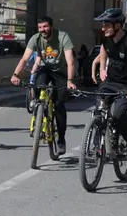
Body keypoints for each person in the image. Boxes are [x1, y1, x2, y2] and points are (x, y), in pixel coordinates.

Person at [10, 16, 77, 155]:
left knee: (59, 104)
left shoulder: (63, 37)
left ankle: (61, 140)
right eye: (40, 27)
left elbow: (70, 61)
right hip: (45, 68)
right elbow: (24, 58)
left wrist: (70, 80)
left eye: (45, 27)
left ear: (51, 26)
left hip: (60, 72)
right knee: (37, 85)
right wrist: (16, 74)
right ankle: (39, 109)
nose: (43, 30)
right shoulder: (36, 38)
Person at [93, 8, 127, 157]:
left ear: (118, 25)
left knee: (118, 116)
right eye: (103, 25)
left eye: (106, 25)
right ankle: (97, 146)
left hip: (126, 86)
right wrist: (101, 69)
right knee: (99, 111)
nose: (103, 28)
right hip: (109, 82)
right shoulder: (106, 38)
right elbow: (103, 51)